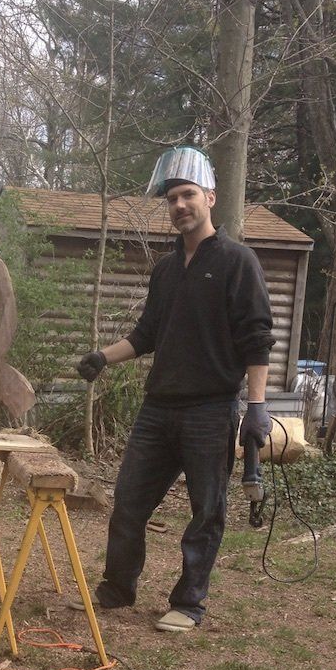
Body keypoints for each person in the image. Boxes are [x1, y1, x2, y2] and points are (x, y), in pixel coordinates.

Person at [77, 145, 274, 632]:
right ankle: (118, 589)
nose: (179, 205)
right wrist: (104, 357)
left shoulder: (237, 260)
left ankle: (188, 603)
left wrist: (256, 406)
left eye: (188, 195)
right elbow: (147, 334)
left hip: (211, 410)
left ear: (210, 197)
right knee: (128, 503)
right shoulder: (165, 270)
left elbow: (257, 338)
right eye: (171, 199)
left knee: (206, 512)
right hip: (157, 410)